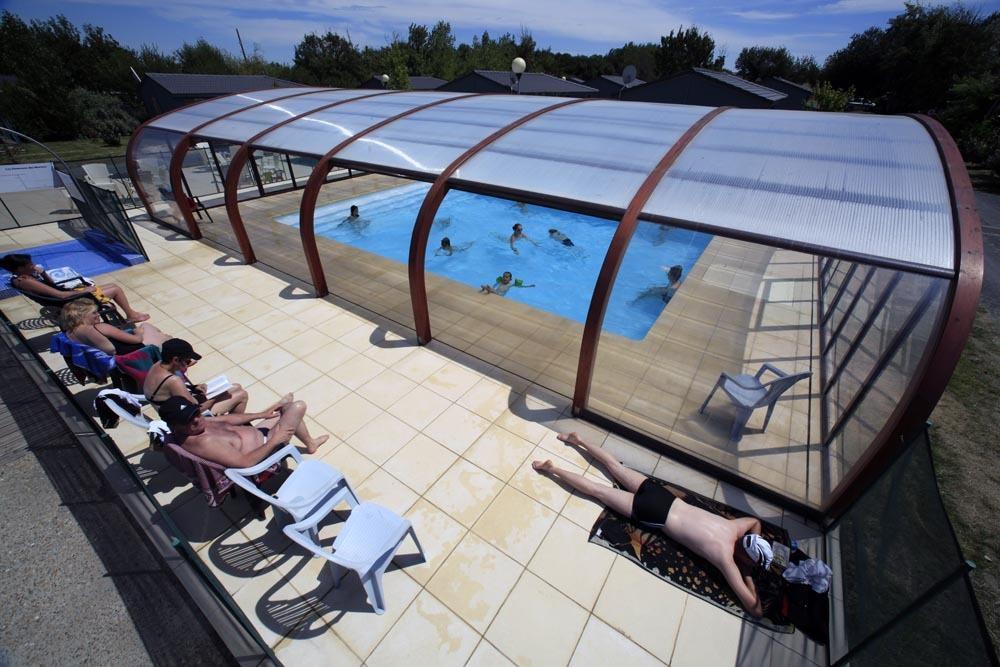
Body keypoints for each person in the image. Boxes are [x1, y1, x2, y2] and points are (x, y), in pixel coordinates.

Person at [533, 432, 770, 618]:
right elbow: (755, 610)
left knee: (616, 468)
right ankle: (551, 469)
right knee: (599, 491)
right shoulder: (724, 557)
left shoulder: (736, 527)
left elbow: (755, 523)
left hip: (664, 497)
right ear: (745, 556)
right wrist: (747, 573)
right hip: (655, 513)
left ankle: (578, 439)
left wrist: (753, 546)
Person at [157, 396, 329, 468]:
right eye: (188, 420)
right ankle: (310, 443)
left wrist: (262, 414)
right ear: (175, 426)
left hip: (261, 436)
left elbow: (226, 420)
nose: (196, 419)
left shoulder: (198, 424)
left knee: (286, 407)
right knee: (297, 407)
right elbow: (244, 463)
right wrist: (275, 441)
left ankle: (311, 443)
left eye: (195, 413)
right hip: (266, 449)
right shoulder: (203, 442)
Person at [1, 252, 149, 322]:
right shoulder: (27, 281)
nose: (33, 266)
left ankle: (131, 314)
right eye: (30, 265)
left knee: (111, 285)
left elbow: (52, 285)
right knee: (115, 288)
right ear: (20, 268)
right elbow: (60, 295)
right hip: (69, 302)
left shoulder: (21, 278)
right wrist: (86, 289)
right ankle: (131, 315)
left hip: (64, 298)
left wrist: (43, 273)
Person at [144, 338, 258, 416]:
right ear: (175, 360)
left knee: (236, 387)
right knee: (242, 395)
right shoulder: (173, 381)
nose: (188, 364)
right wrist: (215, 398)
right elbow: (197, 409)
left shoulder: (157, 365)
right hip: (182, 418)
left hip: (171, 407)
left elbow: (170, 393)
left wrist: (194, 387)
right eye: (186, 361)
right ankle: (234, 426)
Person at [60, 299, 170, 356]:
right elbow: (137, 339)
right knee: (149, 327)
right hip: (134, 353)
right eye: (94, 313)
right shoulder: (100, 328)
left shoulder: (70, 332)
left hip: (116, 358)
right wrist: (138, 332)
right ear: (82, 316)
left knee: (155, 332)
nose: (98, 315)